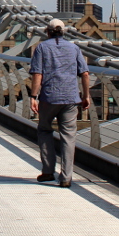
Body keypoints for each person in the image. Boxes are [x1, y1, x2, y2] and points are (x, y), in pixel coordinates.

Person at [28, 18, 90, 188]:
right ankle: (66, 177)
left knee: (45, 130)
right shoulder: (74, 48)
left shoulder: (42, 47)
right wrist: (86, 96)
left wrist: (33, 96)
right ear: (64, 32)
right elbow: (84, 73)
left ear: (47, 32)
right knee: (69, 136)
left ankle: (48, 171)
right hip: (71, 98)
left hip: (49, 97)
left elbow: (38, 74)